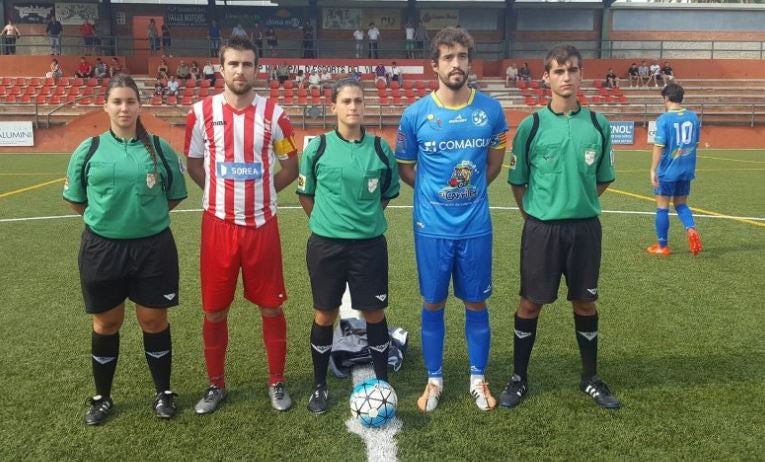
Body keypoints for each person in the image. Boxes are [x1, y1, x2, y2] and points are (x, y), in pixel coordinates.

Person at [63, 74, 188, 425]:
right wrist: (109, 222)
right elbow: (78, 201)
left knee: (153, 319)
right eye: (117, 101)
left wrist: (144, 221)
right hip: (102, 250)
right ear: (106, 106)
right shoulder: (89, 149)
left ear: (139, 106)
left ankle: (163, 392)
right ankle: (102, 397)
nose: (124, 108)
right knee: (107, 322)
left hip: (154, 249)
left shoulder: (160, 148)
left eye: (130, 101)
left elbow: (175, 194)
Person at [395, 27, 508, 413]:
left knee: (476, 304)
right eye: (448, 57)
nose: (456, 64)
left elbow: (493, 165)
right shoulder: (415, 115)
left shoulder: (490, 111)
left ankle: (478, 379)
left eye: (461, 56)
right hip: (432, 228)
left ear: (469, 62)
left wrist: (469, 192)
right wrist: (435, 195)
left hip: (475, 227)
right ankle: (435, 380)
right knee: (433, 303)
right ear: (435, 65)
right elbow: (407, 169)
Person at [184, 36, 299, 415]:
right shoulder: (200, 113)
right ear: (221, 68)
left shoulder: (275, 115)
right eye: (233, 63)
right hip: (218, 226)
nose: (240, 70)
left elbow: (290, 167)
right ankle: (215, 385)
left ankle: (276, 381)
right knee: (214, 311)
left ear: (257, 68)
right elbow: (195, 165)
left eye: (247, 64)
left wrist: (263, 191)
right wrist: (220, 192)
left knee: (271, 308)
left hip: (262, 226)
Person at [503, 44, 620, 411]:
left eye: (572, 70)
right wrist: (536, 216)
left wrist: (577, 202)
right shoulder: (531, 126)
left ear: (581, 74)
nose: (566, 77)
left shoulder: (599, 125)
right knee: (530, 303)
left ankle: (590, 377)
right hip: (542, 230)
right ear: (546, 77)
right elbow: (517, 182)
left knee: (585, 302)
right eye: (558, 71)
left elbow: (602, 179)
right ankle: (519, 378)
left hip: (585, 229)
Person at [297, 78, 401, 413]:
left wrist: (364, 221)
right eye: (346, 101)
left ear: (364, 105)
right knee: (325, 313)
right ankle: (319, 386)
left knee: (374, 312)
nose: (353, 107)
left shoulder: (381, 148)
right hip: (326, 246)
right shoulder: (318, 147)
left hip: (369, 246)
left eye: (358, 100)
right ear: (334, 107)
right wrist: (328, 224)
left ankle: (383, 382)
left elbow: (387, 192)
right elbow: (306, 193)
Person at [647, 83, 702, 257]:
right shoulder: (693, 117)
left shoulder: (664, 119)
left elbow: (659, 146)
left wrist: (653, 169)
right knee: (681, 204)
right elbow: (696, 143)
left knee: (662, 207)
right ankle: (691, 229)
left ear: (667, 98)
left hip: (668, 171)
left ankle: (662, 246)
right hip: (686, 169)